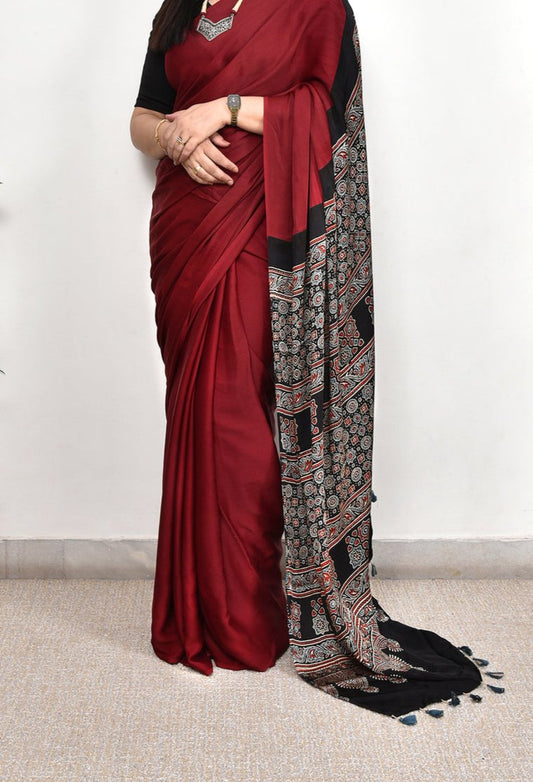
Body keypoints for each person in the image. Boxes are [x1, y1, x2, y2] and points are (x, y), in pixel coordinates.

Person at [130, 0, 493, 722]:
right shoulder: (180, 9)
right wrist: (175, 137)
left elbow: (328, 119)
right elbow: (142, 118)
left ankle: (243, 619)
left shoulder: (315, 8)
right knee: (195, 414)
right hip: (185, 231)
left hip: (261, 234)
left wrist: (227, 109)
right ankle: (193, 609)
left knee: (237, 421)